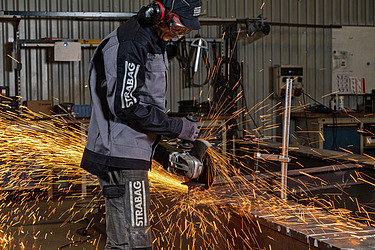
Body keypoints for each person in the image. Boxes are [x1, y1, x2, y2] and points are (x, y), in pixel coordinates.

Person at [79, 0, 202, 249]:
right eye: (177, 26)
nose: (178, 35)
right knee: (136, 242)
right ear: (158, 13)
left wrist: (162, 152)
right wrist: (176, 127)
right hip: (121, 156)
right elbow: (127, 107)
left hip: (127, 150)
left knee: (122, 242)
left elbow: (143, 106)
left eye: (185, 32)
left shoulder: (152, 40)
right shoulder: (132, 42)